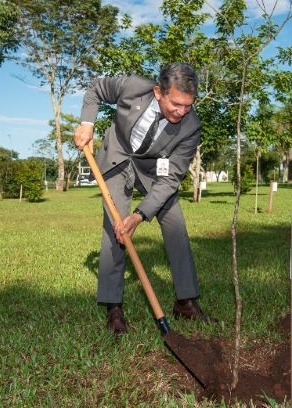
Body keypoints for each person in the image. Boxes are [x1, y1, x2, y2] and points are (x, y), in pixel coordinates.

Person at [74, 62, 213, 335]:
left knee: (175, 225)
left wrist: (140, 215)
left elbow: (172, 178)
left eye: (188, 105)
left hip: (153, 170)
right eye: (176, 104)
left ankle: (185, 300)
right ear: (158, 92)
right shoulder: (133, 87)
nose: (182, 111)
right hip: (117, 158)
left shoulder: (191, 126)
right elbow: (95, 89)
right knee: (115, 228)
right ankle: (114, 306)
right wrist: (86, 124)